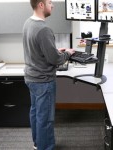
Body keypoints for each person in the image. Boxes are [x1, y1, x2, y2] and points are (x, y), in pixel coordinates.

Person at [22, 0, 75, 149]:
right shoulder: (43, 29)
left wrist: (55, 50)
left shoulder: (28, 23)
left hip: (31, 78)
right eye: (50, 2)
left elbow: (39, 50)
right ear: (41, 5)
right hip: (43, 81)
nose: (53, 5)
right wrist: (68, 54)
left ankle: (38, 144)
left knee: (36, 114)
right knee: (45, 119)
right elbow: (55, 60)